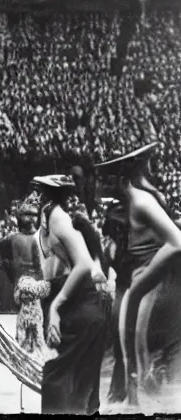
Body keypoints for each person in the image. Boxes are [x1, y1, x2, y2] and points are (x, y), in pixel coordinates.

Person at [95, 142, 181, 405]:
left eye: (111, 177)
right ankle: (132, 401)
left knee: (136, 349)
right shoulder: (126, 204)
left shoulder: (142, 201)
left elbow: (176, 241)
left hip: (149, 284)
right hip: (132, 280)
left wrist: (144, 280)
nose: (105, 184)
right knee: (127, 348)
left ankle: (142, 400)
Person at [31, 174, 111, 415]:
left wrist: (55, 307)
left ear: (45, 195)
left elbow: (84, 264)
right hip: (85, 306)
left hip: (80, 306)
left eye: (38, 192)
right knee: (82, 386)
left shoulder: (56, 216)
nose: (34, 198)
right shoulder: (53, 220)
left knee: (59, 381)